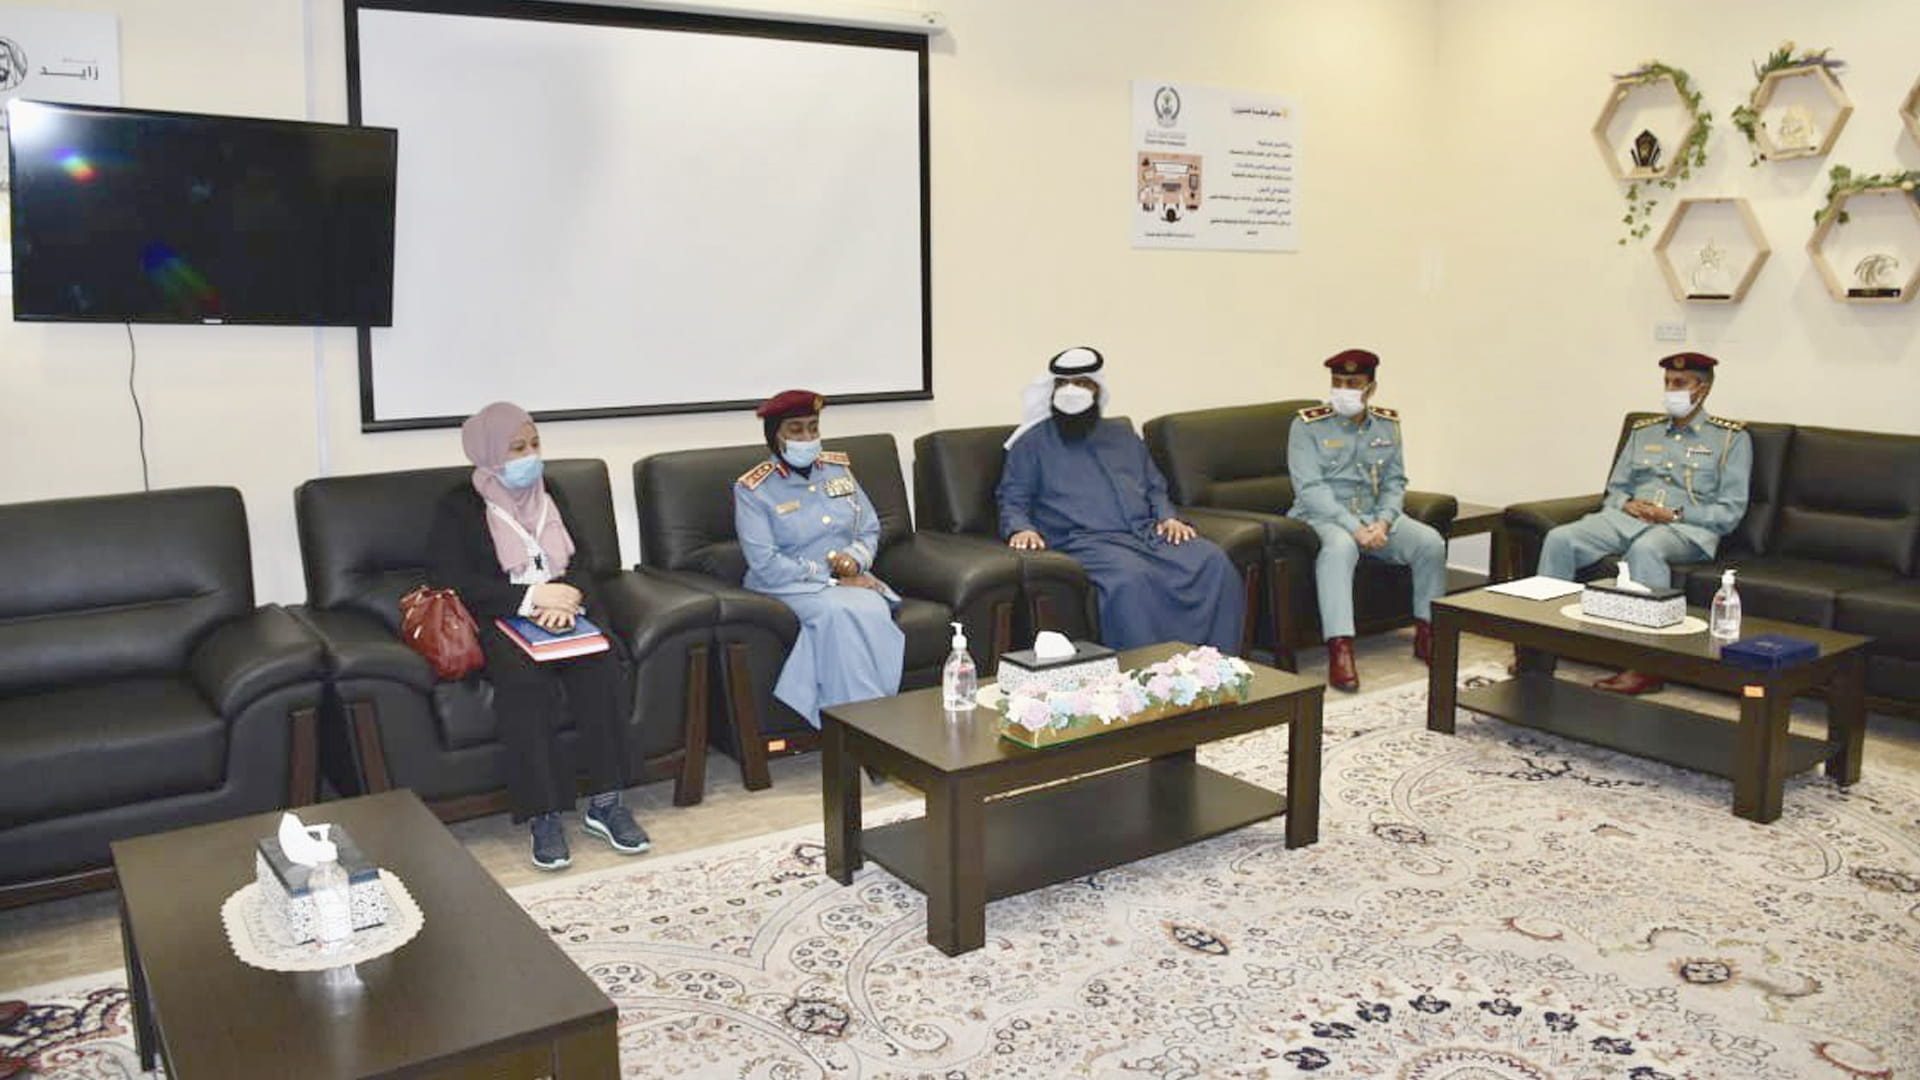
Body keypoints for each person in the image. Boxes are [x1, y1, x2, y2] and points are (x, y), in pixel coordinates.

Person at [428, 402, 649, 870]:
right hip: (502, 617)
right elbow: (455, 581)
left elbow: (585, 561)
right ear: (490, 451)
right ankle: (543, 814)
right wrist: (531, 599)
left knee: (601, 665)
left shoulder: (554, 493)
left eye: (534, 444)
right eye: (517, 447)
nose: (530, 456)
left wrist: (566, 598)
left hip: (565, 610)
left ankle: (607, 803)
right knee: (525, 682)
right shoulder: (459, 505)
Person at [996, 346, 1245, 652]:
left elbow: (1154, 486)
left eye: (1081, 383)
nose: (1071, 391)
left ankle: (1215, 665)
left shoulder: (1123, 435)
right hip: (1085, 542)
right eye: (1063, 384)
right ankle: (1147, 672)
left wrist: (1168, 517)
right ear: (1052, 390)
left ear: (1097, 389)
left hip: (1145, 533)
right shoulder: (1031, 443)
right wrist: (1021, 528)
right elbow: (1012, 497)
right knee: (1130, 579)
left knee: (1212, 561)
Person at [1537, 352, 1752, 694]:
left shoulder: (1730, 439)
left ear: (1703, 388)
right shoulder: (1643, 431)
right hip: (1628, 520)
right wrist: (1626, 504)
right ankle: (1540, 646)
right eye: (1667, 383)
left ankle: (1645, 664)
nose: (1671, 390)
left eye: (1680, 383)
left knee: (1646, 549)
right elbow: (1615, 489)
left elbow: (1730, 512)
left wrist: (1675, 514)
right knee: (1560, 538)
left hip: (1685, 529)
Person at [734, 389, 905, 727]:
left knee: (870, 608)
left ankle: (861, 722)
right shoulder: (753, 489)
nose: (807, 437)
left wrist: (855, 560)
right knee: (837, 614)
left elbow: (869, 528)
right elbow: (765, 563)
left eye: (813, 427)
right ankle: (868, 726)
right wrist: (832, 578)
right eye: (796, 429)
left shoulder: (838, 470)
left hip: (847, 583)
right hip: (785, 585)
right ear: (775, 435)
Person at [1286, 348, 1447, 692]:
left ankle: (1428, 633)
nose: (1343, 390)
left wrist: (1385, 522)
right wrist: (1354, 527)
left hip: (1374, 516)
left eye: (1353, 383)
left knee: (1430, 542)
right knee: (1340, 547)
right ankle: (1340, 648)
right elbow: (1310, 490)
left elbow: (1394, 483)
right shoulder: (1307, 425)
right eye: (1337, 382)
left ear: (1370, 388)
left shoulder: (1387, 425)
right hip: (1321, 517)